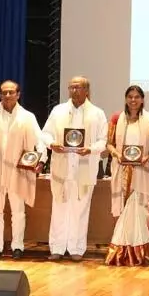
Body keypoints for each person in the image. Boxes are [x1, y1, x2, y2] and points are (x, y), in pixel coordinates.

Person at [0, 80, 46, 259]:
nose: (8, 96)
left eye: (11, 92)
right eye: (4, 93)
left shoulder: (27, 117)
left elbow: (39, 141)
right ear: (0, 95)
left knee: (18, 210)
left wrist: (41, 161)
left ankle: (18, 246)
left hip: (18, 171)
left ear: (18, 94)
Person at [41, 77, 107, 261]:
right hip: (62, 165)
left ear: (87, 90)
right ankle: (57, 248)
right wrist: (52, 143)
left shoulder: (97, 113)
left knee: (80, 209)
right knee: (59, 207)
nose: (74, 90)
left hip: (84, 167)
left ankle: (77, 249)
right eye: (71, 87)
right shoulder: (58, 110)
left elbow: (103, 140)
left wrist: (91, 150)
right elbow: (45, 133)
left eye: (78, 87)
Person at [104, 85, 149, 266]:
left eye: (137, 97)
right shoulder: (117, 119)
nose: (133, 100)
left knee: (140, 210)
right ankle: (121, 251)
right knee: (124, 211)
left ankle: (140, 253)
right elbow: (108, 143)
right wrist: (117, 154)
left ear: (142, 99)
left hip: (143, 171)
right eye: (130, 97)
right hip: (121, 170)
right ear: (126, 99)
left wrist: (147, 157)